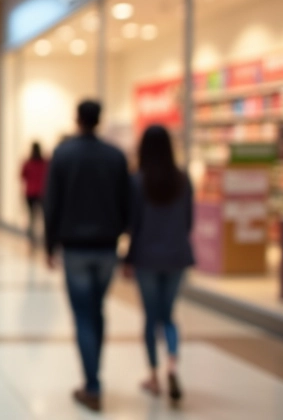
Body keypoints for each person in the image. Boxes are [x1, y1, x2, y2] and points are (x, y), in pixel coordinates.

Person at [44, 100, 130, 412]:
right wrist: (123, 236)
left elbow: (51, 202)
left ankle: (92, 384)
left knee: (83, 315)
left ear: (77, 119)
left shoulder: (64, 155)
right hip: (107, 247)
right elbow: (127, 202)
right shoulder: (116, 156)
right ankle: (94, 378)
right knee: (97, 310)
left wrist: (49, 244)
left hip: (76, 248)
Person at [123, 125, 194, 404]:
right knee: (169, 315)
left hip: (147, 258)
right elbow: (189, 221)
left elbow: (133, 224)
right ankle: (173, 365)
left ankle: (153, 375)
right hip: (177, 256)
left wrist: (128, 259)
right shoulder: (183, 180)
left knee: (151, 319)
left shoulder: (137, 181)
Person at [21, 142, 49, 250]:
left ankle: (32, 238)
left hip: (30, 193)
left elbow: (22, 176)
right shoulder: (44, 163)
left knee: (32, 216)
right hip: (42, 192)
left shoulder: (28, 162)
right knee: (43, 216)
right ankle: (44, 237)